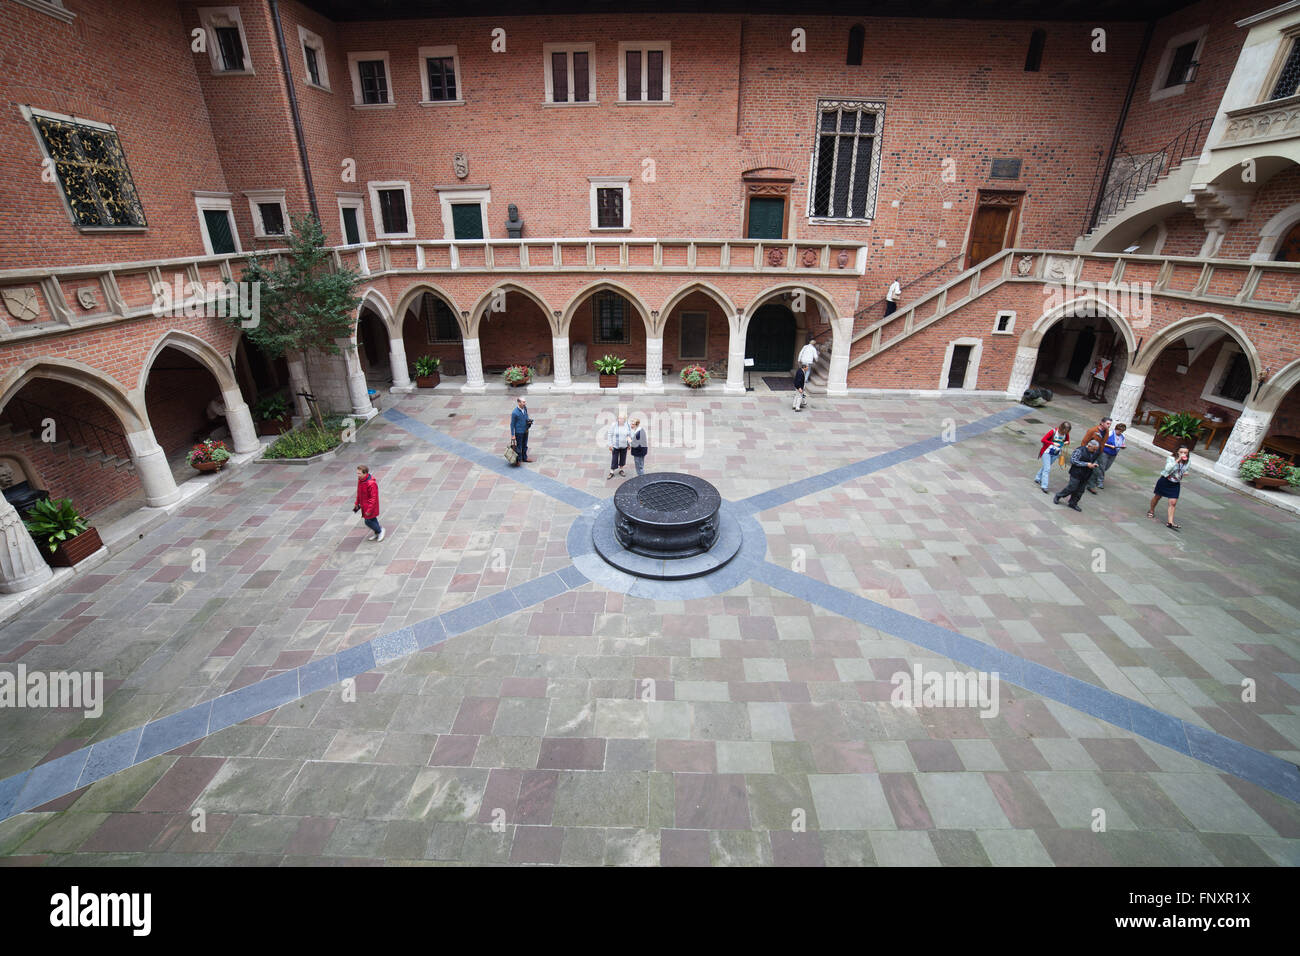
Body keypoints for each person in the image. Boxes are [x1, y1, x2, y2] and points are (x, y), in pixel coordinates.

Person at [1149, 445, 1190, 532]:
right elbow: (1167, 469)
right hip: (1165, 480)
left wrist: (1185, 472)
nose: (1183, 454)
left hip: (1175, 483)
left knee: (1173, 502)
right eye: (1181, 452)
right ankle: (1151, 510)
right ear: (1177, 452)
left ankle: (1170, 522)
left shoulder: (1187, 461)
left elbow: (1185, 469)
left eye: (1185, 452)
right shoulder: (1171, 458)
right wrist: (1178, 460)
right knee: (1157, 497)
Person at [1053, 440, 1101, 511]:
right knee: (1072, 487)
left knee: (1080, 491)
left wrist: (1095, 464)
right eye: (1094, 449)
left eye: (1096, 449)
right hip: (1076, 473)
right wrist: (1086, 464)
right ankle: (1059, 495)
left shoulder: (1095, 452)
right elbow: (1073, 460)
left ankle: (1073, 503)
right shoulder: (1080, 450)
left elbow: (1095, 460)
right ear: (1089, 446)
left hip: (1086, 474)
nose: (1095, 451)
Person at [1035, 421, 1071, 493]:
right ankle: (1044, 486)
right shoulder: (1053, 432)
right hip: (1047, 452)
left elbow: (1067, 441)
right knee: (1047, 469)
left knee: (1046, 467)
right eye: (1064, 430)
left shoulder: (1066, 434)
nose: (1065, 432)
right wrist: (1052, 443)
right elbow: (1043, 440)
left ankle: (1037, 477)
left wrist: (1067, 442)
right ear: (1061, 428)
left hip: (1056, 453)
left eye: (1067, 431)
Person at [1080, 416, 1113, 493]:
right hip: (1089, 451)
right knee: (1085, 466)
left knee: (1096, 468)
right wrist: (1084, 452)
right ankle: (1079, 481)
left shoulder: (1107, 431)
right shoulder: (1093, 430)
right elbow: (1084, 442)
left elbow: (1104, 442)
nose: (1109, 425)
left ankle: (1091, 485)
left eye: (1110, 424)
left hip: (1099, 452)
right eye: (1107, 423)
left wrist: (1101, 451)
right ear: (1102, 423)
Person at [353, 465, 384, 541]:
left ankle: (380, 531)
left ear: (365, 473)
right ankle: (377, 533)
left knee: (367, 521)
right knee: (373, 519)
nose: (357, 475)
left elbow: (373, 498)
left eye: (359, 473)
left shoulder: (371, 483)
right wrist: (357, 503)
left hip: (370, 506)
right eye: (357, 473)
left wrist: (369, 510)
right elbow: (359, 492)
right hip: (364, 505)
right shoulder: (360, 480)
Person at [1097, 422, 1126, 489]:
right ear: (1116, 429)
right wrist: (1110, 446)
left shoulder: (1122, 436)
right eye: (1119, 431)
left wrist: (1123, 446)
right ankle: (1100, 481)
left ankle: (1096, 475)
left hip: (1113, 454)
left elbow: (1122, 444)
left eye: (1122, 431)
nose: (1120, 432)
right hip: (1105, 452)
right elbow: (1102, 442)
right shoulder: (1110, 434)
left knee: (1107, 467)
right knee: (1102, 466)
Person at [607, 413, 631, 479]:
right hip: (615, 445)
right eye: (619, 418)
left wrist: (629, 444)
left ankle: (621, 470)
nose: (619, 420)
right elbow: (610, 434)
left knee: (623, 458)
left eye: (621, 419)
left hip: (624, 445)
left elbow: (629, 435)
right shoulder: (614, 425)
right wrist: (610, 444)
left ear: (624, 420)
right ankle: (611, 472)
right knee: (614, 458)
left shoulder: (627, 425)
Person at [509, 397, 531, 463]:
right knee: (519, 446)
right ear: (519, 403)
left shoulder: (525, 408)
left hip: (525, 430)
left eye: (525, 402)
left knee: (525, 445)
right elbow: (512, 424)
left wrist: (528, 421)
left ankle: (525, 458)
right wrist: (513, 435)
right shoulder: (514, 413)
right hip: (519, 432)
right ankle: (518, 460)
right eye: (523, 402)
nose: (525, 403)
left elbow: (526, 416)